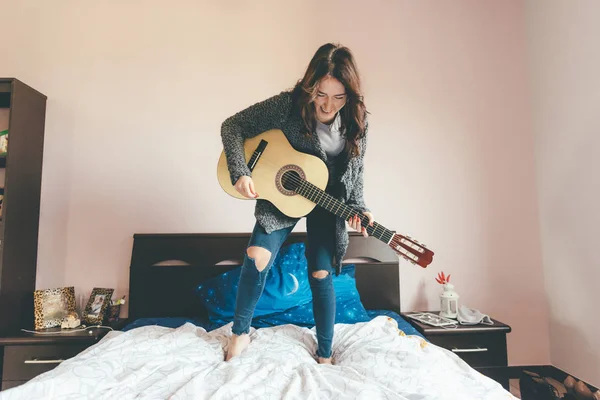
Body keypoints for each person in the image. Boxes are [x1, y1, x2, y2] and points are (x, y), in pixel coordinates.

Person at [220, 43, 374, 364]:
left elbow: (355, 172)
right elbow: (233, 125)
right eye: (321, 94)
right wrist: (241, 171)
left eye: (338, 96)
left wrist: (359, 208)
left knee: (321, 272)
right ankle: (240, 334)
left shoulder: (358, 122)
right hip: (287, 190)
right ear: (310, 87)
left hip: (327, 200)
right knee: (257, 255)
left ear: (350, 95)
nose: (328, 104)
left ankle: (326, 352)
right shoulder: (287, 105)